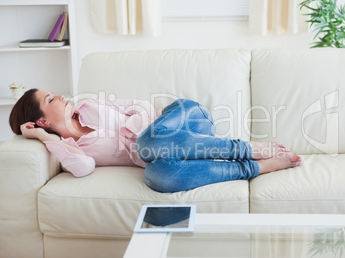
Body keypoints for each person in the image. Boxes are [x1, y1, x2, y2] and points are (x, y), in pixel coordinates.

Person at [9, 89, 302, 193]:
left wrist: (148, 127)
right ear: (42, 121)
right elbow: (83, 168)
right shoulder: (72, 150)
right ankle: (253, 167)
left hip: (186, 117)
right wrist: (43, 138)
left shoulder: (91, 106)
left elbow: (139, 105)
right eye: (50, 99)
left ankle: (246, 149)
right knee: (158, 175)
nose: (60, 96)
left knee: (147, 144)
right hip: (177, 150)